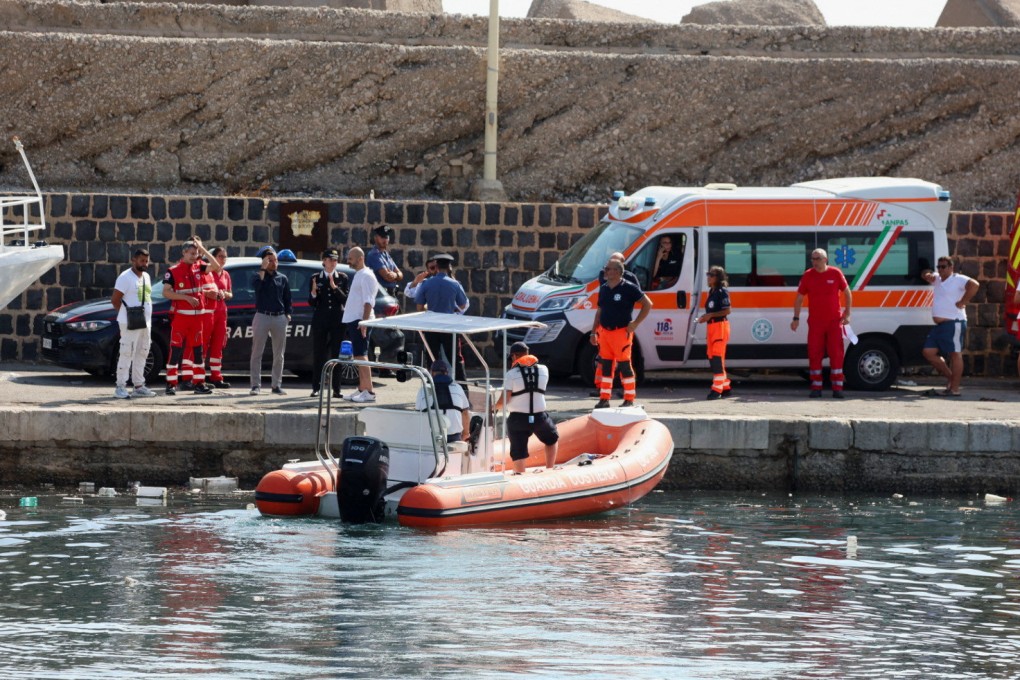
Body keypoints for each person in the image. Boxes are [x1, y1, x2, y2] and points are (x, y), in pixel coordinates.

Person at [162, 237, 221, 396]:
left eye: (196, 253)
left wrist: (203, 249)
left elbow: (216, 266)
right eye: (192, 253)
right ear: (184, 253)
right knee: (175, 351)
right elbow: (166, 292)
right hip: (182, 318)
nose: (194, 256)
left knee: (197, 352)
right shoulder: (173, 271)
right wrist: (187, 298)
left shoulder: (199, 267)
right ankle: (171, 384)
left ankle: (199, 383)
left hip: (198, 319)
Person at [791, 248, 852, 399]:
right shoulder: (808, 275)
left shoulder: (835, 273)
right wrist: (796, 318)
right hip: (816, 323)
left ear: (825, 259)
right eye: (813, 258)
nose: (814, 261)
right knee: (814, 354)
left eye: (817, 258)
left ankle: (837, 388)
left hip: (834, 322)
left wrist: (848, 313)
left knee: (836, 355)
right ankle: (816, 387)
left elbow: (847, 293)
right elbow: (799, 298)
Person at [591, 259, 652, 408]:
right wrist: (593, 332)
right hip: (605, 333)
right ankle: (604, 398)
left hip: (621, 332)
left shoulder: (629, 287)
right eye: (606, 269)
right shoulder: (604, 288)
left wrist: (635, 323)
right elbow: (599, 311)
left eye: (608, 269)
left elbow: (647, 304)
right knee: (606, 365)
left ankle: (629, 398)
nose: (605, 271)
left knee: (624, 365)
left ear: (617, 271)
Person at [492, 342, 559, 474]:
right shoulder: (544, 370)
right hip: (540, 417)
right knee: (552, 439)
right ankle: (550, 469)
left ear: (514, 356)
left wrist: (493, 408)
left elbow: (505, 399)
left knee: (519, 452)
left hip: (518, 419)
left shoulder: (511, 374)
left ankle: (520, 476)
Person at [921, 257, 979, 397]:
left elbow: (975, 284)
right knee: (928, 352)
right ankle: (951, 378)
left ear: (951, 267)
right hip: (940, 325)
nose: (940, 269)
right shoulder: (937, 279)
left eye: (943, 266)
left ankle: (954, 389)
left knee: (955, 354)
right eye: (938, 267)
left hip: (954, 322)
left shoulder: (957, 279)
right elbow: (924, 274)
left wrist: (963, 301)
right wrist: (927, 273)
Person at [415, 253, 469, 383]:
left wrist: (429, 310)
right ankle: (463, 388)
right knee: (455, 359)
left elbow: (419, 306)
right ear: (449, 267)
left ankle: (432, 387)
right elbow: (462, 305)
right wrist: (452, 308)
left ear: (437, 266)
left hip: (431, 325)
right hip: (449, 326)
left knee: (432, 358)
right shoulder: (455, 284)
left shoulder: (426, 284)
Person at [111, 248, 156, 399]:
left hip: (145, 322)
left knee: (143, 351)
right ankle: (120, 386)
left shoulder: (147, 276)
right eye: (142, 260)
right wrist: (125, 315)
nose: (145, 264)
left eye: (146, 261)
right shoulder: (125, 277)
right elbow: (115, 300)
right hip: (129, 322)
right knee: (126, 352)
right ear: (134, 260)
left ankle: (138, 385)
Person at [249, 246, 292, 396]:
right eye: (270, 260)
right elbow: (258, 288)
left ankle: (276, 385)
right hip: (262, 315)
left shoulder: (283, 278)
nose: (274, 263)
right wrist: (262, 269)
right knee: (257, 352)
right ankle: (255, 385)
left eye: (275, 260)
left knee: (279, 354)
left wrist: (288, 314)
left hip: (279, 317)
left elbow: (287, 298)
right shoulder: (257, 276)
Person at [309, 248, 349, 398]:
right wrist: (313, 292)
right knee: (319, 354)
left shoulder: (343, 277)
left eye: (335, 260)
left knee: (337, 354)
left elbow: (345, 299)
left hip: (337, 320)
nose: (333, 263)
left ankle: (336, 389)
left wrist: (334, 287)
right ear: (324, 261)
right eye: (330, 260)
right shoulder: (316, 278)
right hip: (321, 320)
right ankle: (316, 387)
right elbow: (312, 303)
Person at [343, 246, 378, 403]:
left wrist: (363, 322)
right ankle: (362, 388)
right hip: (354, 319)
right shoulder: (359, 275)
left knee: (362, 355)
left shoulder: (367, 276)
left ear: (360, 258)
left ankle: (369, 391)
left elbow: (368, 301)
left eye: (351, 258)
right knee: (358, 355)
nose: (348, 260)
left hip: (360, 319)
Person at [415, 359, 470, 443]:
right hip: (453, 437)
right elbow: (465, 413)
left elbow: (418, 415)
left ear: (432, 373)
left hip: (431, 437)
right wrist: (466, 434)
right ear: (446, 373)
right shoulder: (458, 388)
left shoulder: (423, 390)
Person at [698, 266, 732, 400]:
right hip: (712, 327)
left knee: (717, 358)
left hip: (720, 326)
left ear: (718, 278)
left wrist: (710, 315)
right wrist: (705, 318)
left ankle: (716, 390)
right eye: (708, 274)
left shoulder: (722, 291)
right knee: (713, 357)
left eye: (711, 275)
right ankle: (725, 387)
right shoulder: (711, 291)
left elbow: (727, 310)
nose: (708, 277)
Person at [206, 247, 232, 389]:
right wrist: (210, 293)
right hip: (209, 312)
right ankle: (198, 377)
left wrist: (225, 294)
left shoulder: (226, 274)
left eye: (225, 256)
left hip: (221, 313)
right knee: (204, 344)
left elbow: (230, 293)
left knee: (218, 345)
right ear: (213, 257)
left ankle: (216, 377)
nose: (223, 259)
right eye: (220, 256)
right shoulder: (208, 272)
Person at [365, 224, 403, 296]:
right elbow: (387, 277)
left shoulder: (386, 255)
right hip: (380, 295)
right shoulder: (374, 254)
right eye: (382, 237)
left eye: (386, 237)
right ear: (376, 238)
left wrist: (395, 275)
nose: (385, 240)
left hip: (390, 294)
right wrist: (397, 276)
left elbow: (401, 274)